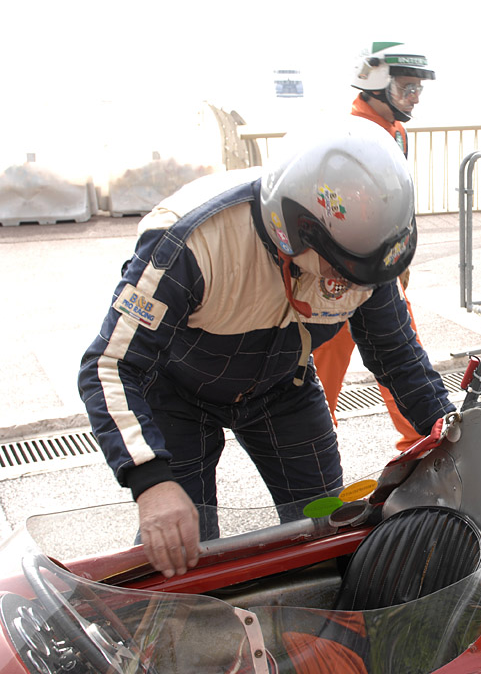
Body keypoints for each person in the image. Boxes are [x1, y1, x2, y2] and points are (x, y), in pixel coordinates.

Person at [79, 118, 454, 578]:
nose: (351, 287)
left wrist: (450, 432)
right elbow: (110, 364)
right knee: (184, 548)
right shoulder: (190, 242)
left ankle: (321, 629)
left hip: (284, 387)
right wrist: (150, 482)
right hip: (176, 394)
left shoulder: (365, 248)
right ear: (293, 230)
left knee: (327, 525)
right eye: (342, 272)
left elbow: (398, 357)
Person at [312, 42, 434, 452]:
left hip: (383, 267)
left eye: (417, 88)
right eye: (406, 89)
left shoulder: (396, 131)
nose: (415, 98)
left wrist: (402, 260)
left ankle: (421, 442)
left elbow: (398, 197)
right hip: (339, 268)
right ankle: (315, 443)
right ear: (376, 87)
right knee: (324, 360)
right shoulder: (348, 134)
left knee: (403, 353)